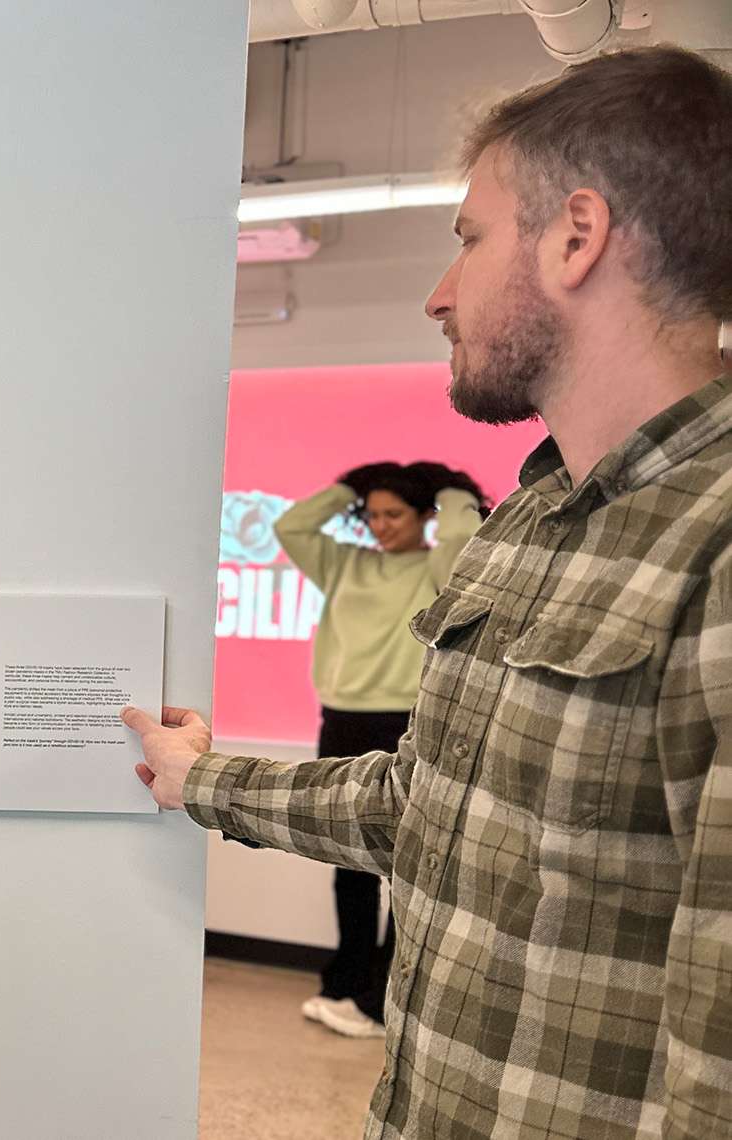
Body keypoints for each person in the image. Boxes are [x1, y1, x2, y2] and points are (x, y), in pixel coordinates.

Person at [125, 46, 732, 1138]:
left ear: (577, 237)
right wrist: (199, 779)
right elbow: (428, 809)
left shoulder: (715, 539)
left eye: (468, 239)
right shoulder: (529, 522)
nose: (438, 296)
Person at [273, 461, 486, 1038]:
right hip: (341, 719)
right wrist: (354, 482)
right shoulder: (343, 562)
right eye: (371, 514)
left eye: (394, 513)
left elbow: (463, 541)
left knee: (401, 863)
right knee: (346, 858)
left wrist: (451, 489)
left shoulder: (438, 568)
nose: (381, 525)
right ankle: (347, 978)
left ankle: (384, 998)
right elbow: (292, 526)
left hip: (404, 721)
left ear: (423, 514)